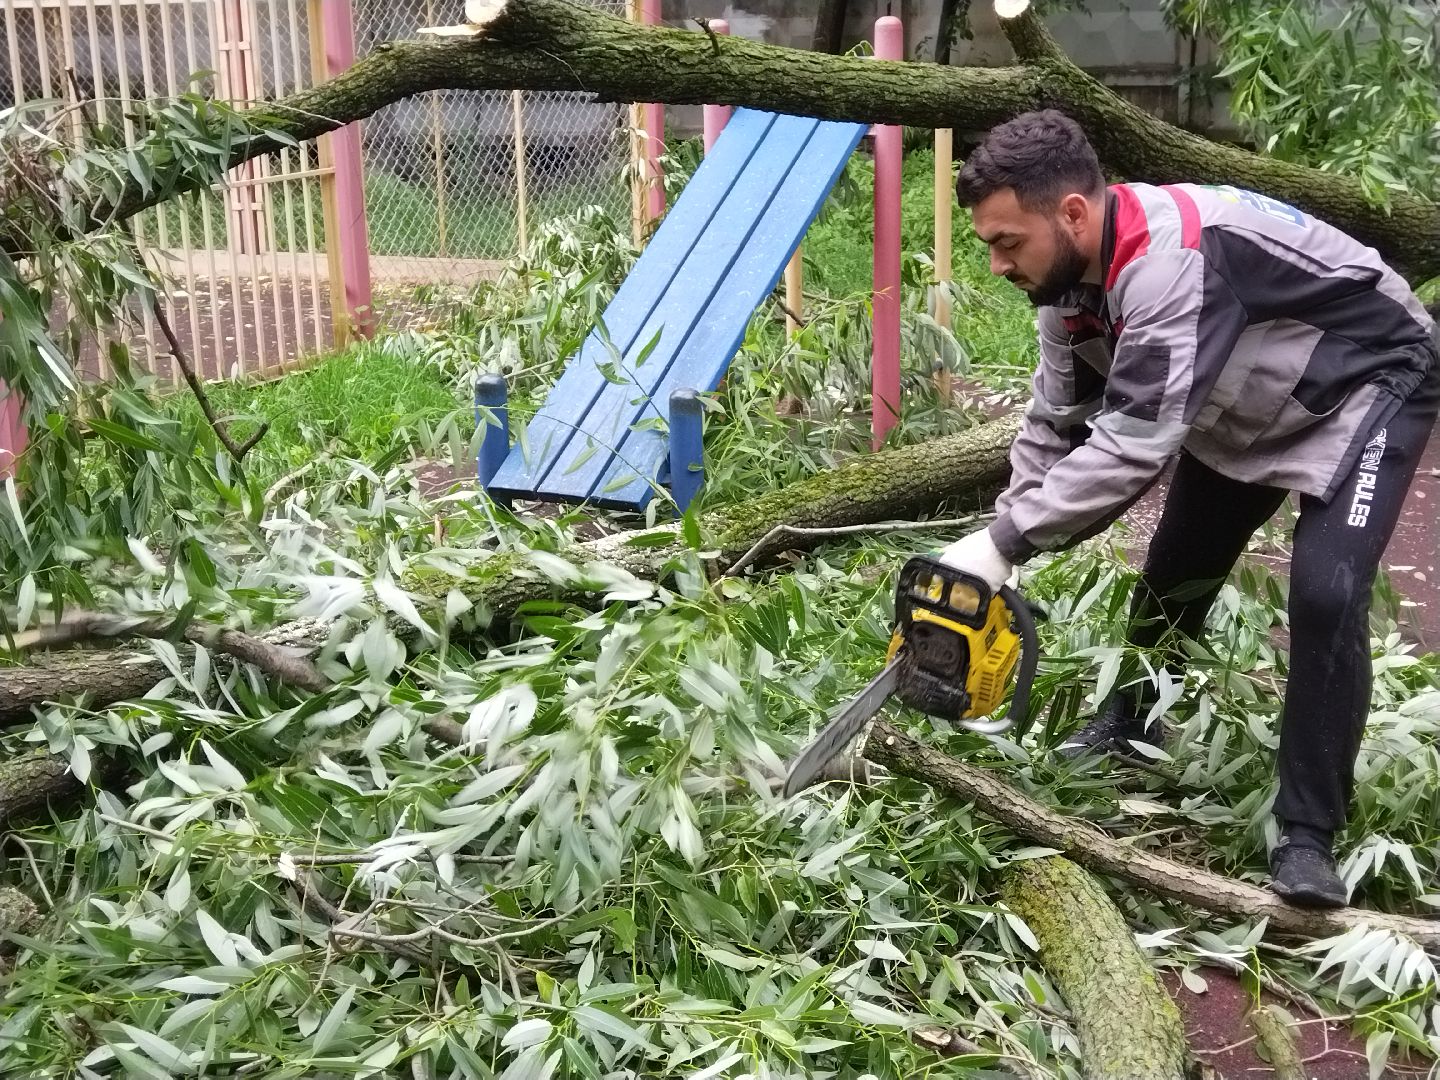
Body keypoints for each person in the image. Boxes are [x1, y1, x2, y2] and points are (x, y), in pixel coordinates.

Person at [937, 109, 1440, 908]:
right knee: (1178, 569)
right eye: (990, 245)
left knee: (1325, 591)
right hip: (1247, 391)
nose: (998, 263)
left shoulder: (1170, 262)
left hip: (1368, 381)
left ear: (1072, 213)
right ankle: (1132, 724)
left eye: (1007, 242)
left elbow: (1134, 446)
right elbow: (1056, 424)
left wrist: (1007, 543)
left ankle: (1309, 837)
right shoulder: (1066, 284)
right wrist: (992, 543)